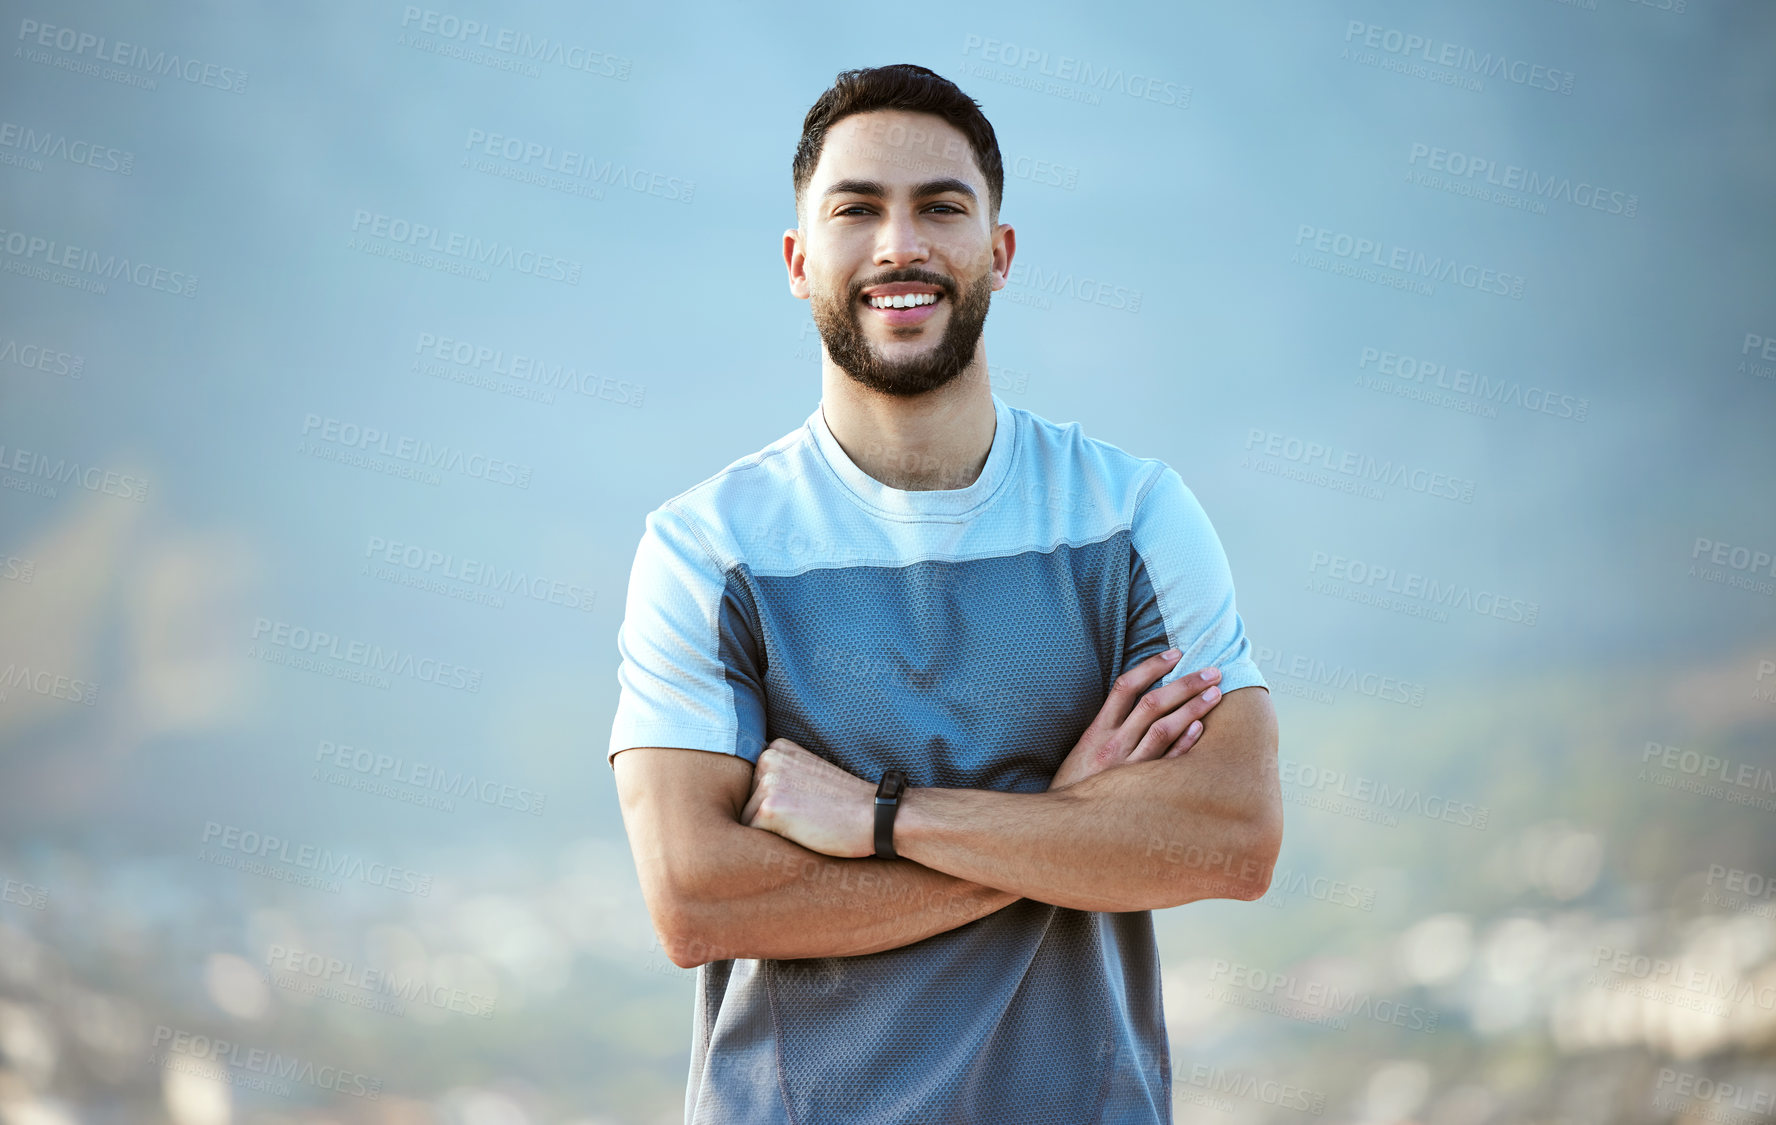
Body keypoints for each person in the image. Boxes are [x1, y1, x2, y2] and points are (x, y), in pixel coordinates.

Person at [608, 63, 1282, 1125]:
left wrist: (881, 819)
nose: (899, 245)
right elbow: (695, 899)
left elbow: (1232, 838)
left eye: (940, 207)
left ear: (999, 254)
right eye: (857, 210)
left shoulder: (1134, 517)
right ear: (798, 261)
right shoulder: (708, 550)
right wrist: (1068, 825)